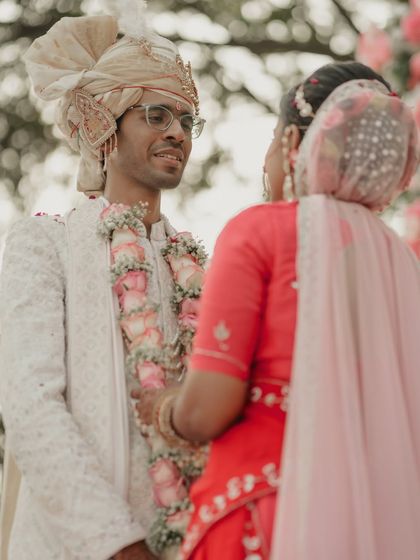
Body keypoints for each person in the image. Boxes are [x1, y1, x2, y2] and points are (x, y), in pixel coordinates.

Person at [135, 61, 420, 560]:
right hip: (368, 527)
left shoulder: (261, 229)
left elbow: (209, 408)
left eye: (272, 138)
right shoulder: (400, 258)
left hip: (257, 514)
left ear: (292, 145)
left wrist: (163, 409)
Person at [0, 5, 205, 560]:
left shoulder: (196, 266)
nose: (178, 134)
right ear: (102, 126)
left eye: (188, 122)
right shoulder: (44, 245)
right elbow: (30, 406)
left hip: (193, 538)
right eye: (158, 115)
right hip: (80, 545)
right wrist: (118, 544)